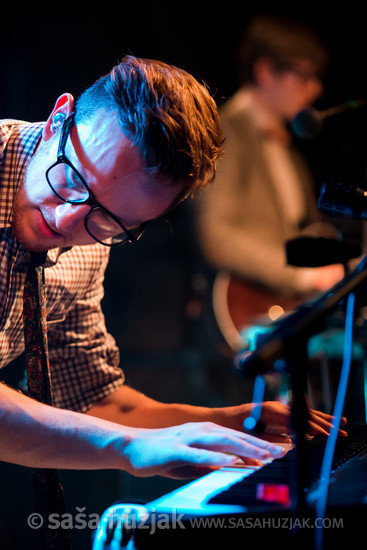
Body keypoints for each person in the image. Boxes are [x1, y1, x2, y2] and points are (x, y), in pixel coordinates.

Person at [0, 55, 342, 484]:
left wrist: (227, 423)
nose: (67, 221)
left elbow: (89, 399)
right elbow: (112, 432)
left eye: (109, 220)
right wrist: (126, 446)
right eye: (72, 178)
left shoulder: (91, 245)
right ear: (58, 120)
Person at [196, 15, 347, 344]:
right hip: (243, 317)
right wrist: (304, 275)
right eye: (305, 75)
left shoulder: (288, 148)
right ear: (266, 72)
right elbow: (218, 237)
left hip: (288, 312)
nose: (316, 88)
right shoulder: (227, 133)